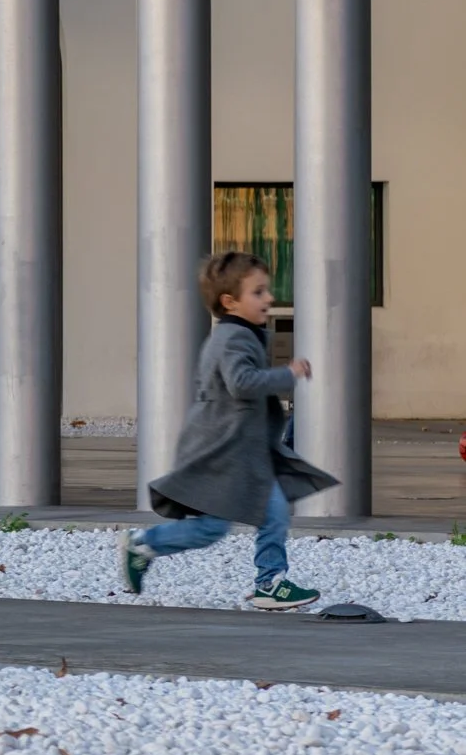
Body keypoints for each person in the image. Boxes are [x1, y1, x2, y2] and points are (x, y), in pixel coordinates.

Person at [122, 250, 336, 611]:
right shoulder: (233, 339)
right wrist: (289, 374)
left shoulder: (242, 335)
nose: (269, 298)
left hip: (242, 453)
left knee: (275, 512)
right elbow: (241, 383)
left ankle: (270, 582)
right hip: (223, 454)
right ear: (230, 301)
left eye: (267, 290)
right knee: (211, 528)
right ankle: (142, 544)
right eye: (258, 292)